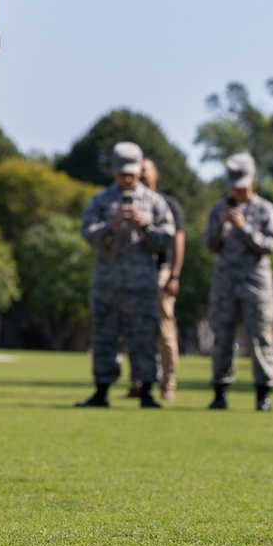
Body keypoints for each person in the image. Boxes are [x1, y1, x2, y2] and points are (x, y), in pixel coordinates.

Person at [77, 141, 175, 409]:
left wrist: (146, 227)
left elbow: (168, 238)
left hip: (142, 284)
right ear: (113, 170)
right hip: (107, 284)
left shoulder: (155, 202)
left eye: (132, 172)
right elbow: (87, 234)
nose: (127, 177)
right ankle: (101, 390)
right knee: (104, 338)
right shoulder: (101, 200)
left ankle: (146, 391)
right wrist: (112, 224)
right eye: (122, 172)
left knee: (144, 338)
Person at [204, 152, 273, 411]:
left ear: (253, 182)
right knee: (222, 336)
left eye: (242, 185)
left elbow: (270, 244)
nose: (236, 190)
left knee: (260, 338)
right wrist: (221, 224)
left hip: (255, 283)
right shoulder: (219, 209)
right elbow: (209, 244)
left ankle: (263, 394)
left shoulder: (265, 209)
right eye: (233, 185)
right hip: (224, 284)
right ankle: (220, 392)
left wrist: (245, 227)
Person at [133, 156, 185, 401]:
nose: (141, 174)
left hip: (160, 271)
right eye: (137, 170)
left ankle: (168, 382)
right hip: (134, 272)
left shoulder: (169, 204)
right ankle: (141, 381)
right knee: (136, 330)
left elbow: (178, 241)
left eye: (145, 170)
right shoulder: (128, 202)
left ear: (156, 174)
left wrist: (174, 275)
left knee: (164, 330)